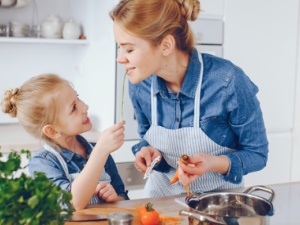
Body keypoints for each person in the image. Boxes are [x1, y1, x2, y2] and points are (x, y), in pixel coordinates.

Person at [110, 0, 269, 198]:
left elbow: (258, 154)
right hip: (161, 196)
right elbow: (146, 135)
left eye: (129, 49)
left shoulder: (228, 82)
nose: (120, 58)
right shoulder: (140, 85)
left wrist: (212, 163)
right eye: (119, 47)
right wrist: (148, 151)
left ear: (166, 45)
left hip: (217, 202)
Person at [1, 74, 129, 210]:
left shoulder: (98, 150)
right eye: (73, 107)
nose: (85, 106)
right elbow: (71, 203)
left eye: (78, 97)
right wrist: (100, 151)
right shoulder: (43, 163)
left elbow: (124, 198)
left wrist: (115, 198)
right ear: (52, 131)